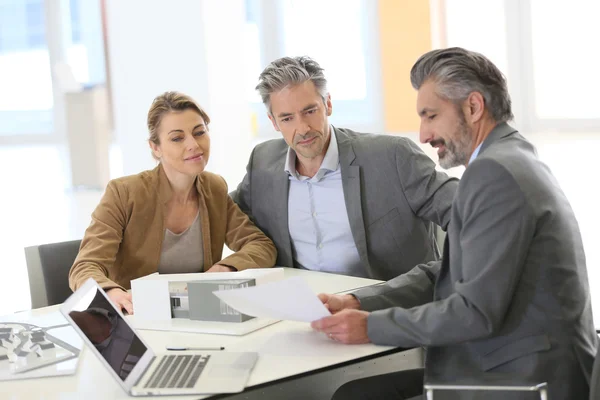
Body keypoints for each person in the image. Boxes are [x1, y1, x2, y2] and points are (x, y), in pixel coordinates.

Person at [311, 47, 598, 400]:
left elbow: (474, 312)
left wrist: (371, 327)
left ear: (474, 107)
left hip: (522, 381)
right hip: (503, 365)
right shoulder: (509, 157)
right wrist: (358, 302)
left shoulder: (495, 173)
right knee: (356, 392)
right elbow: (448, 270)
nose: (423, 134)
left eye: (431, 116)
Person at [231, 56, 458, 280]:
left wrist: (456, 278)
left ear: (328, 104)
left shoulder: (392, 156)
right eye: (287, 118)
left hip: (385, 307)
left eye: (310, 111)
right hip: (303, 307)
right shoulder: (263, 162)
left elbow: (466, 209)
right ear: (273, 122)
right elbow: (221, 213)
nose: (303, 128)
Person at [69, 92, 277, 314]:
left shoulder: (213, 188)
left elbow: (261, 245)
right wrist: (112, 293)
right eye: (177, 138)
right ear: (155, 147)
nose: (193, 144)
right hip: (137, 317)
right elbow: (84, 267)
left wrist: (225, 268)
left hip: (199, 314)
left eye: (199, 133)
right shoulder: (124, 193)